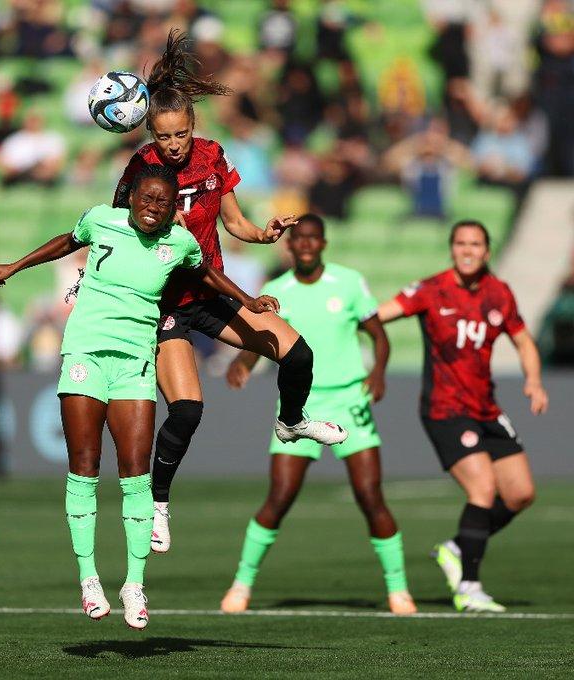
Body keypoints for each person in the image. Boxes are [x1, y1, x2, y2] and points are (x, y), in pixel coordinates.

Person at [0, 164, 280, 630]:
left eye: (163, 203)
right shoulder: (101, 219)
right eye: (147, 198)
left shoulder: (179, 243)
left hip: (135, 363)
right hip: (85, 352)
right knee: (83, 465)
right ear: (132, 198)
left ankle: (134, 584)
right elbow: (67, 240)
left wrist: (249, 301)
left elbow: (206, 277)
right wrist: (15, 266)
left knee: (135, 473)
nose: (154, 207)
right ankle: (88, 578)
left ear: (170, 211)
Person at [113, 30, 347, 555]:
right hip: (165, 304)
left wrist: (264, 233)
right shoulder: (142, 171)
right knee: (189, 411)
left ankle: (291, 424)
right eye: (164, 136)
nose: (174, 145)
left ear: (193, 126)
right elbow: (122, 233)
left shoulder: (213, 156)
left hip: (212, 295)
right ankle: (158, 504)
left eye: (181, 134)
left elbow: (234, 221)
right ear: (150, 132)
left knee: (297, 354)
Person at [219, 214, 417, 616]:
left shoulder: (348, 283)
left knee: (369, 496)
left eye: (313, 238)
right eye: (299, 239)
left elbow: (378, 334)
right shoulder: (276, 289)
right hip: (296, 408)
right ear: (289, 246)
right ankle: (241, 585)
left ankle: (399, 591)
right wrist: (243, 362)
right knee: (279, 497)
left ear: (323, 244)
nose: (306, 244)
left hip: (348, 400)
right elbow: (260, 338)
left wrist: (378, 372)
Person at [378, 219, 548, 613]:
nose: (468, 250)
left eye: (475, 244)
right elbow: (377, 314)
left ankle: (458, 546)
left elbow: (523, 341)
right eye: (460, 243)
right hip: (445, 409)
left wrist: (534, 380)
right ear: (452, 249)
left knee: (521, 494)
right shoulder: (431, 289)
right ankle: (469, 587)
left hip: (486, 408)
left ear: (487, 251)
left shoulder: (498, 293)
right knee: (483, 490)